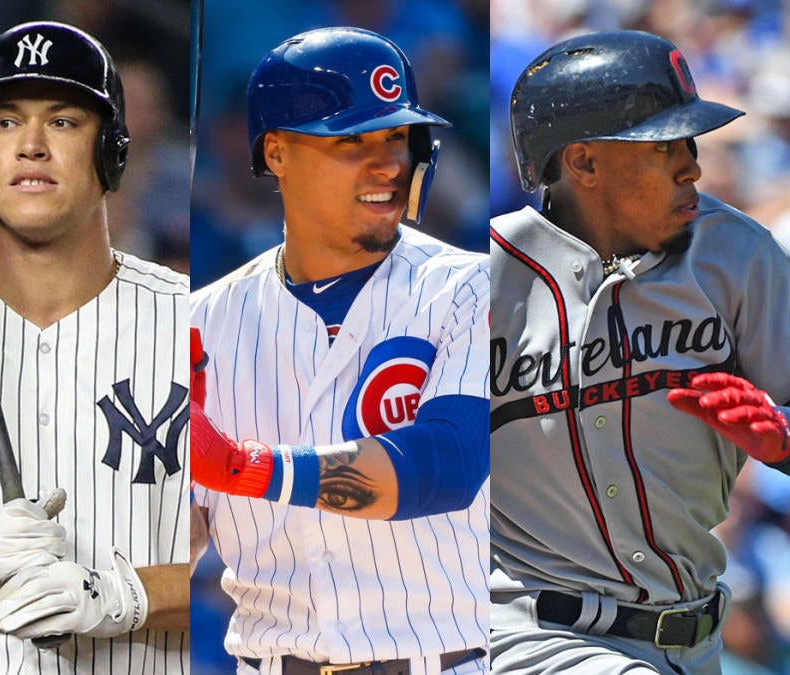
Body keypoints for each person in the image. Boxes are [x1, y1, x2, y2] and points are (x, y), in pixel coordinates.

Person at [0, 21, 191, 673]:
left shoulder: (199, 327)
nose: (29, 145)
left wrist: (126, 594)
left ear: (113, 150)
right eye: (4, 123)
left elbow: (272, 562)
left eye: (62, 122)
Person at [190, 27, 490, 675]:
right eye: (351, 140)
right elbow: (169, 543)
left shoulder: (468, 289)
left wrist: (241, 466)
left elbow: (442, 466)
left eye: (397, 138)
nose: (388, 164)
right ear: (276, 153)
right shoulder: (204, 322)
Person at [489, 30, 790, 675]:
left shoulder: (737, 255)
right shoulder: (481, 282)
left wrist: (786, 442)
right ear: (584, 163)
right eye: (661, 147)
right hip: (528, 633)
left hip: (698, 636)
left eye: (690, 141)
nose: (693, 166)